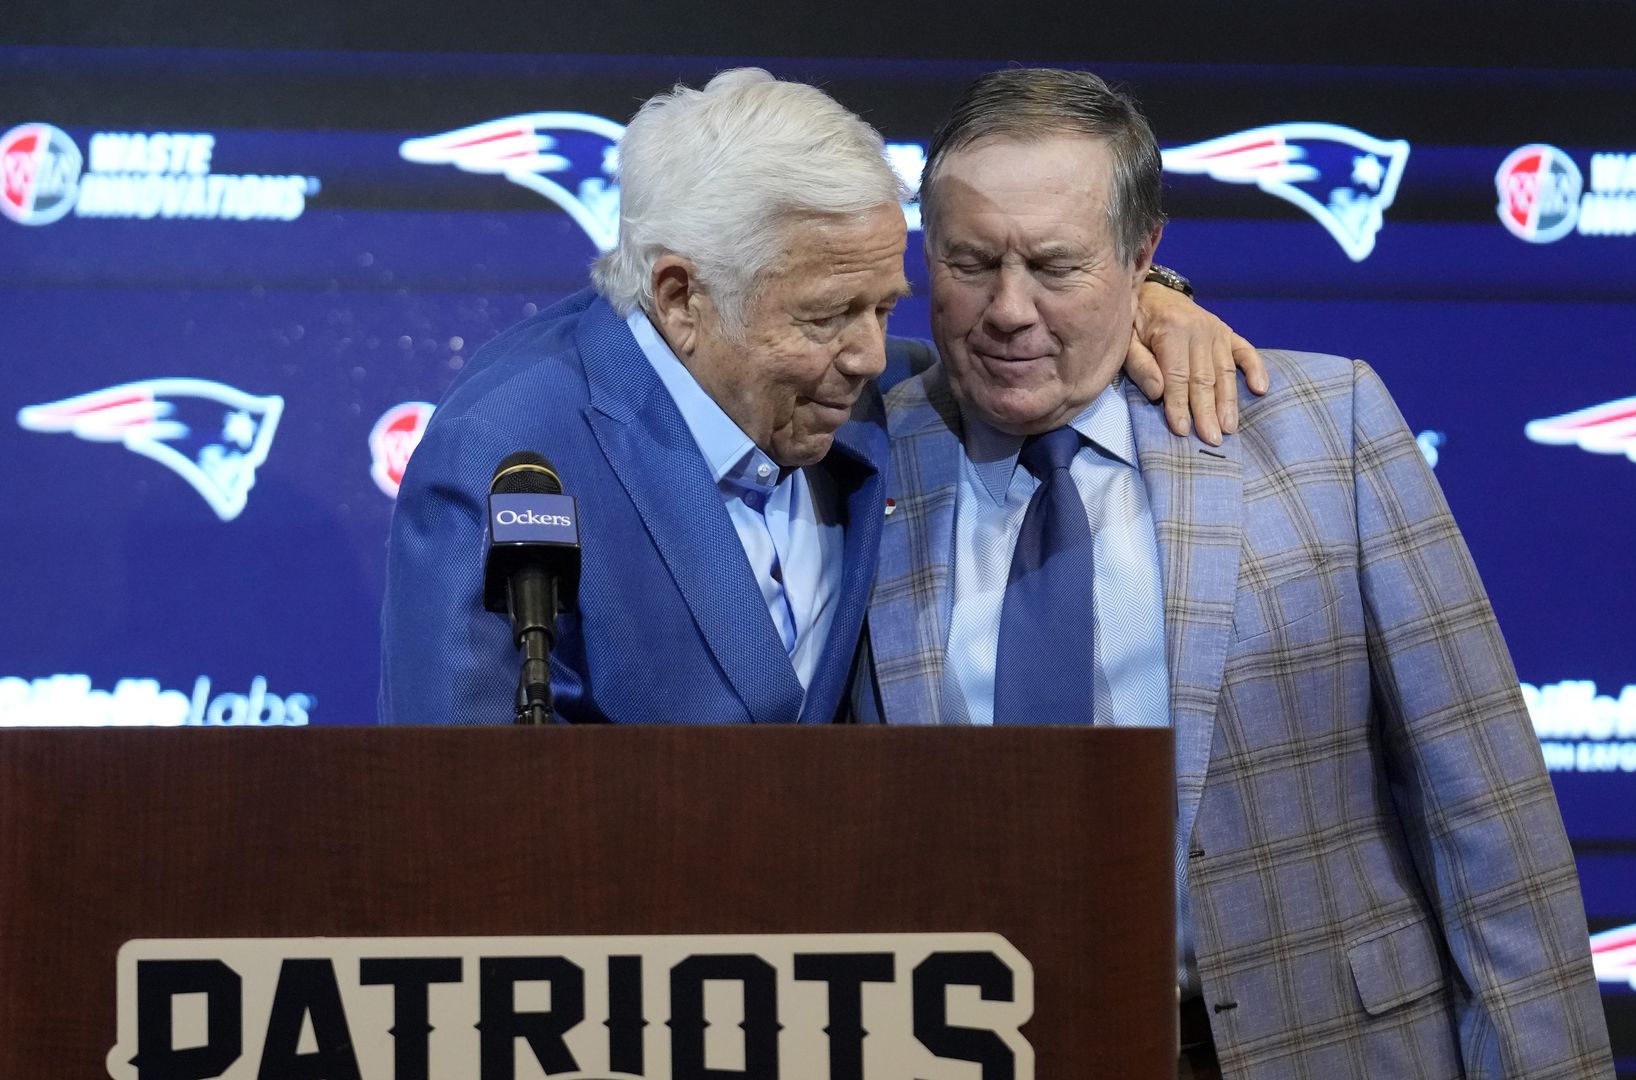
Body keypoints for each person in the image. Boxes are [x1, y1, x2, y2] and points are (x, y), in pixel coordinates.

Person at [856, 68, 1615, 1079]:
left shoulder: (1321, 427)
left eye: (1055, 265)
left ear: (1143, 255)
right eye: (969, 261)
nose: (1008, 310)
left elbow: (1484, 813)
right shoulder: (856, 452)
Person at [379, 68, 1260, 726]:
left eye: (883, 306)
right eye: (829, 315)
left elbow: (1035, 333)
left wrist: (1153, 297)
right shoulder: (510, 450)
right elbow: (451, 810)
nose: (870, 355)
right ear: (683, 297)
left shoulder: (869, 393)